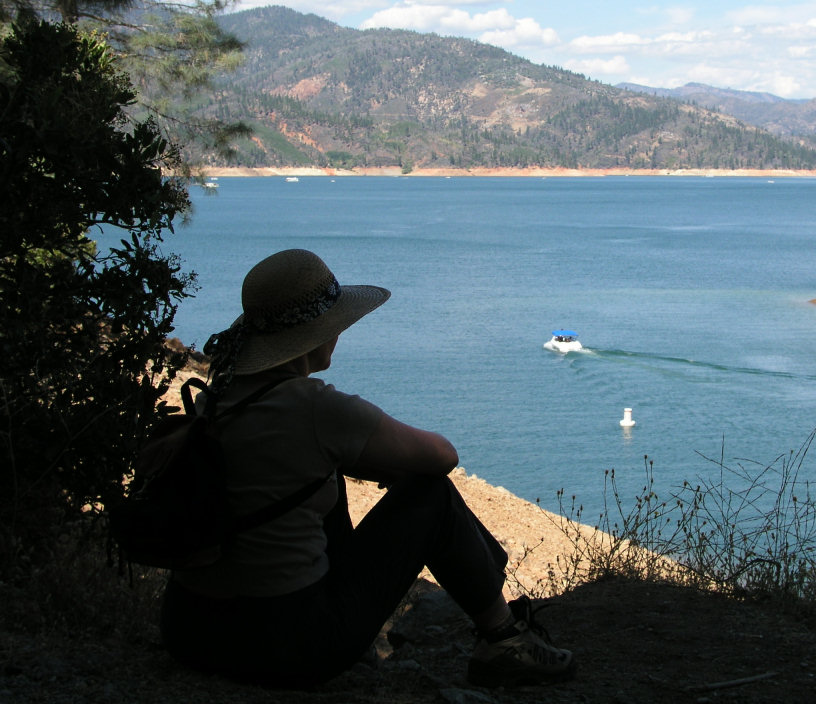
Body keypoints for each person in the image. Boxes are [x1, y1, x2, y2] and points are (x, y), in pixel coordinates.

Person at [159, 249, 575, 689]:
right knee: (430, 494)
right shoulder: (315, 408)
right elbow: (443, 456)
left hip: (189, 631)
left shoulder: (214, 398)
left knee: (327, 480)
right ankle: (505, 639)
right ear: (316, 333)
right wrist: (385, 466)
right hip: (289, 644)